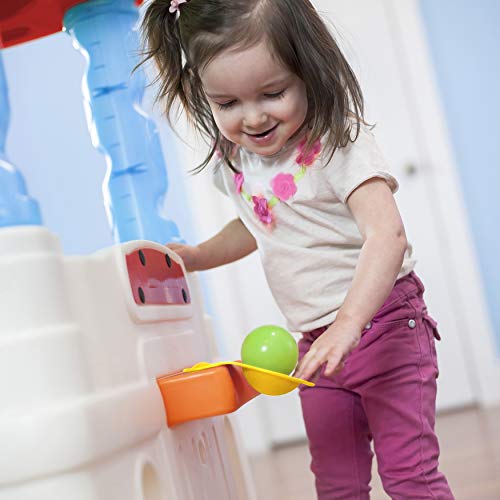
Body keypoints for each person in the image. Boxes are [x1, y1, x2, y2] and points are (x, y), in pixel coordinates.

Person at [140, 0, 454, 498]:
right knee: (336, 484)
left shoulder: (337, 140)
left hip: (386, 326)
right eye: (227, 104)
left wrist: (348, 324)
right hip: (316, 348)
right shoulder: (237, 159)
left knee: (409, 475)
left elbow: (386, 235)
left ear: (308, 69)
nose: (253, 117)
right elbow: (259, 223)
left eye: (273, 93)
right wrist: (198, 256)